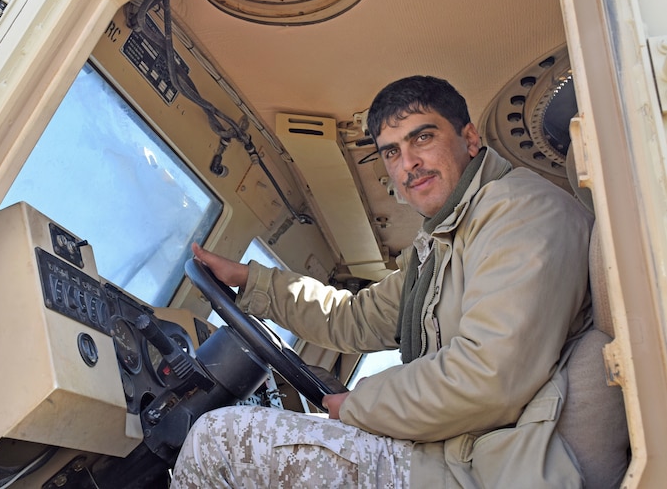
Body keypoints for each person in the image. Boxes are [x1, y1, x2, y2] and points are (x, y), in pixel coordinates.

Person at [171, 76, 595, 488]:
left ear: (469, 139)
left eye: (422, 138)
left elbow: (489, 376)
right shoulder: (444, 239)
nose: (408, 164)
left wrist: (357, 406)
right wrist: (252, 281)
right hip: (449, 451)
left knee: (217, 442)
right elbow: (355, 318)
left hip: (483, 469)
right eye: (392, 152)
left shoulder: (522, 213)